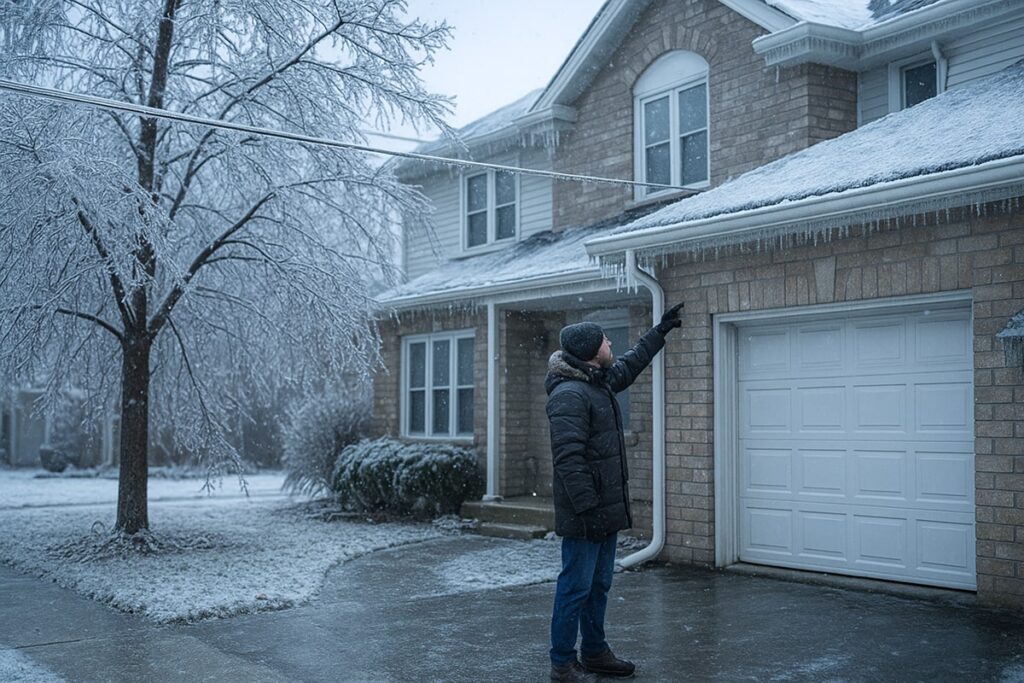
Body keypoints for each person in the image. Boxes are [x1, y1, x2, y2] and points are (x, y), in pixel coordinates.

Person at [545, 303, 684, 682]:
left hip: (604, 509)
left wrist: (660, 331)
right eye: (605, 340)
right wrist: (588, 507)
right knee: (575, 587)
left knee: (599, 585)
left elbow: (629, 364)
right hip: (585, 512)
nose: (611, 343)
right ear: (591, 351)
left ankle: (594, 652)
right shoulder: (570, 394)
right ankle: (562, 662)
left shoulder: (596, 380)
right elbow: (568, 459)